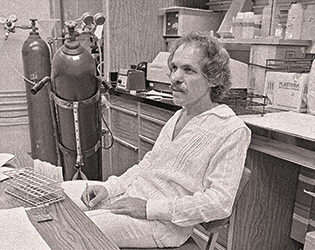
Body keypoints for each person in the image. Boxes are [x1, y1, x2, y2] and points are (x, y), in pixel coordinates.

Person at [77, 31, 251, 248]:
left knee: (74, 231)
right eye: (174, 68)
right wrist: (110, 188)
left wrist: (149, 208)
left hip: (163, 225)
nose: (175, 78)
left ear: (213, 78)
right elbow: (149, 165)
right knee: (63, 198)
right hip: (133, 198)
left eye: (188, 70)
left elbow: (219, 204)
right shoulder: (180, 114)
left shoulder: (231, 129)